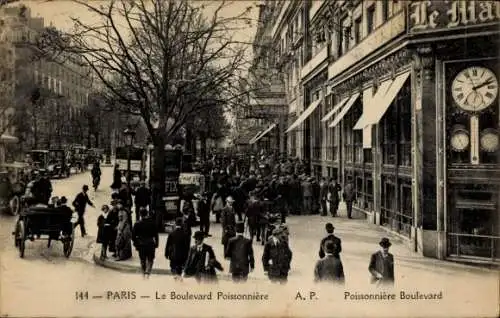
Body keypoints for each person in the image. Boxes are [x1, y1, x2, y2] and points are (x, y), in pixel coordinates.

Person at [132, 208, 159, 278]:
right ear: (147, 214)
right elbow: (156, 235)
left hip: (141, 244)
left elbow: (133, 236)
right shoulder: (152, 223)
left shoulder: (137, 224)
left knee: (142, 260)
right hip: (150, 243)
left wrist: (136, 244)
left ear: (140, 215)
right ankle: (148, 272)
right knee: (150, 259)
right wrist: (156, 244)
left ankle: (143, 273)